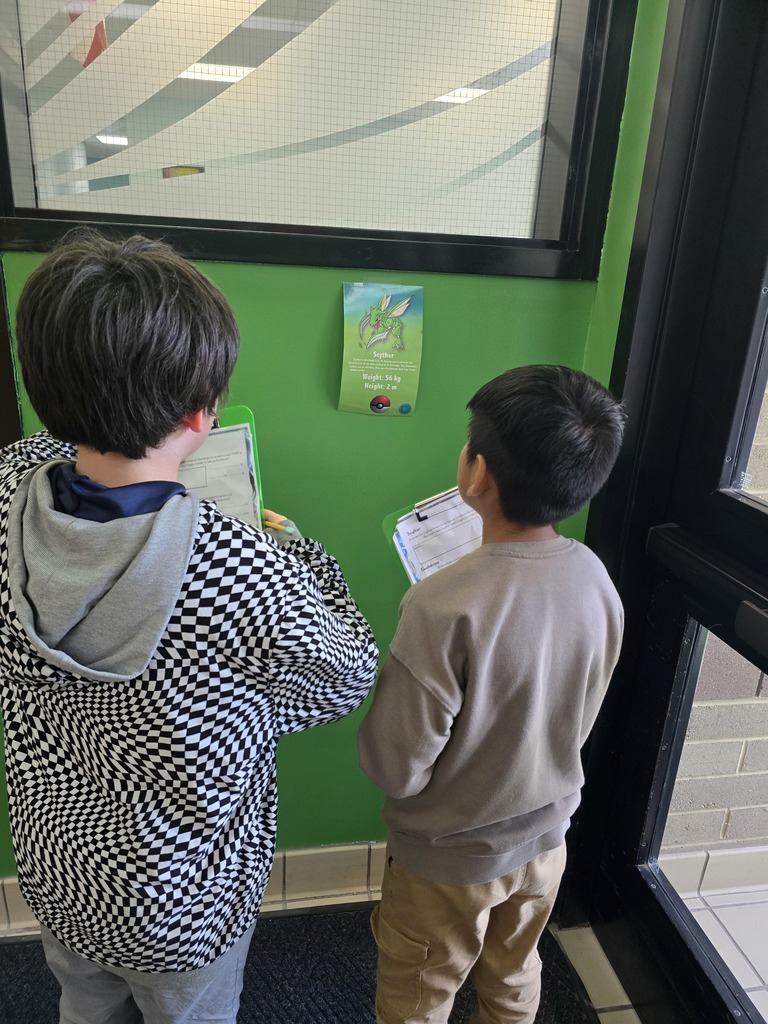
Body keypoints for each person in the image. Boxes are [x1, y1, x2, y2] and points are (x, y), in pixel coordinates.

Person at [0, 230, 379, 1024]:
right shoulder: (245, 566)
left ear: (42, 383)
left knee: (85, 1004)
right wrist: (298, 552)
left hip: (60, 868)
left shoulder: (7, 486)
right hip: (183, 899)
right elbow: (347, 675)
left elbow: (49, 452)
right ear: (203, 413)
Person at [357, 364, 625, 1024]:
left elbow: (395, 766)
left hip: (446, 863)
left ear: (476, 474)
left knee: (419, 992)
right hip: (546, 844)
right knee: (512, 979)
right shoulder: (594, 578)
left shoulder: (439, 606)